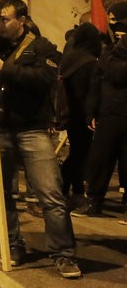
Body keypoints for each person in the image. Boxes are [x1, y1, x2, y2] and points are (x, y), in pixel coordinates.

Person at [0, 0, 82, 278]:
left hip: (32, 130)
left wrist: (4, 68)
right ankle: (12, 245)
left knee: (51, 195)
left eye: (5, 18)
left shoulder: (41, 46)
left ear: (21, 20)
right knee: (2, 195)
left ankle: (63, 254)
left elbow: (45, 78)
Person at [73, 4, 127, 217]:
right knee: (100, 160)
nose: (112, 25)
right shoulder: (108, 51)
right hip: (108, 114)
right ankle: (93, 201)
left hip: (122, 113)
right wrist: (91, 112)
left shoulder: (116, 53)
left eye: (117, 22)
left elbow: (118, 75)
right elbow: (96, 82)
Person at [58, 22, 100, 202]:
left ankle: (74, 190)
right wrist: (90, 114)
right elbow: (86, 92)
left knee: (77, 151)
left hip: (69, 113)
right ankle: (61, 184)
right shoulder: (88, 62)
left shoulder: (71, 57)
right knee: (79, 154)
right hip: (81, 115)